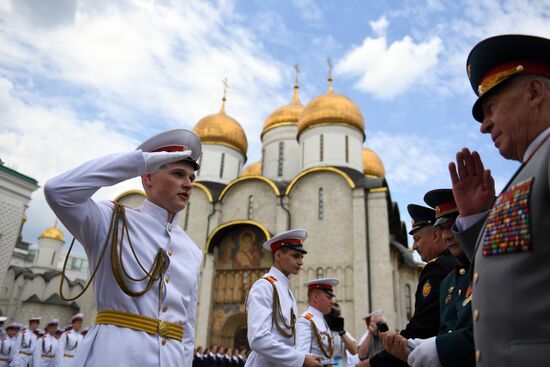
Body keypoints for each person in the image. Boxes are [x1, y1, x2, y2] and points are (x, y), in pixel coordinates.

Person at [44, 129, 203, 367]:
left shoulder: (192, 251)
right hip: (113, 357)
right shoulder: (110, 221)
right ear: (147, 177)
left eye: (191, 178)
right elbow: (58, 191)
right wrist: (138, 161)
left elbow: (187, 327)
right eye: (178, 174)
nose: (188, 184)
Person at [449, 34, 550, 365]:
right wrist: (479, 218)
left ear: (534, 93)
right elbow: (522, 265)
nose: (484, 126)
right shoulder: (531, 169)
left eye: (490, 108)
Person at [382, 189, 475, 367]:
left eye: (453, 226)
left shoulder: (440, 268)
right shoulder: (451, 278)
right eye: (443, 228)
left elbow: (424, 328)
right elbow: (445, 330)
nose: (447, 235)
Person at [365, 204, 457, 367]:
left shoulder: (437, 268)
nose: (414, 247)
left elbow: (422, 329)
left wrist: (373, 363)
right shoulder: (456, 263)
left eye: (417, 239)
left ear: (435, 235)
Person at [245, 229, 321, 367]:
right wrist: (301, 359)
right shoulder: (264, 286)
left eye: (301, 257)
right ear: (278, 255)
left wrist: (303, 356)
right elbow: (258, 339)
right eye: (295, 256)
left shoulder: (285, 290)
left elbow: (288, 340)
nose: (301, 262)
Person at [296, 278, 339, 364]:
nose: (331, 302)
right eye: (328, 297)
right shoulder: (306, 320)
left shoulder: (320, 319)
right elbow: (302, 355)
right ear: (315, 297)